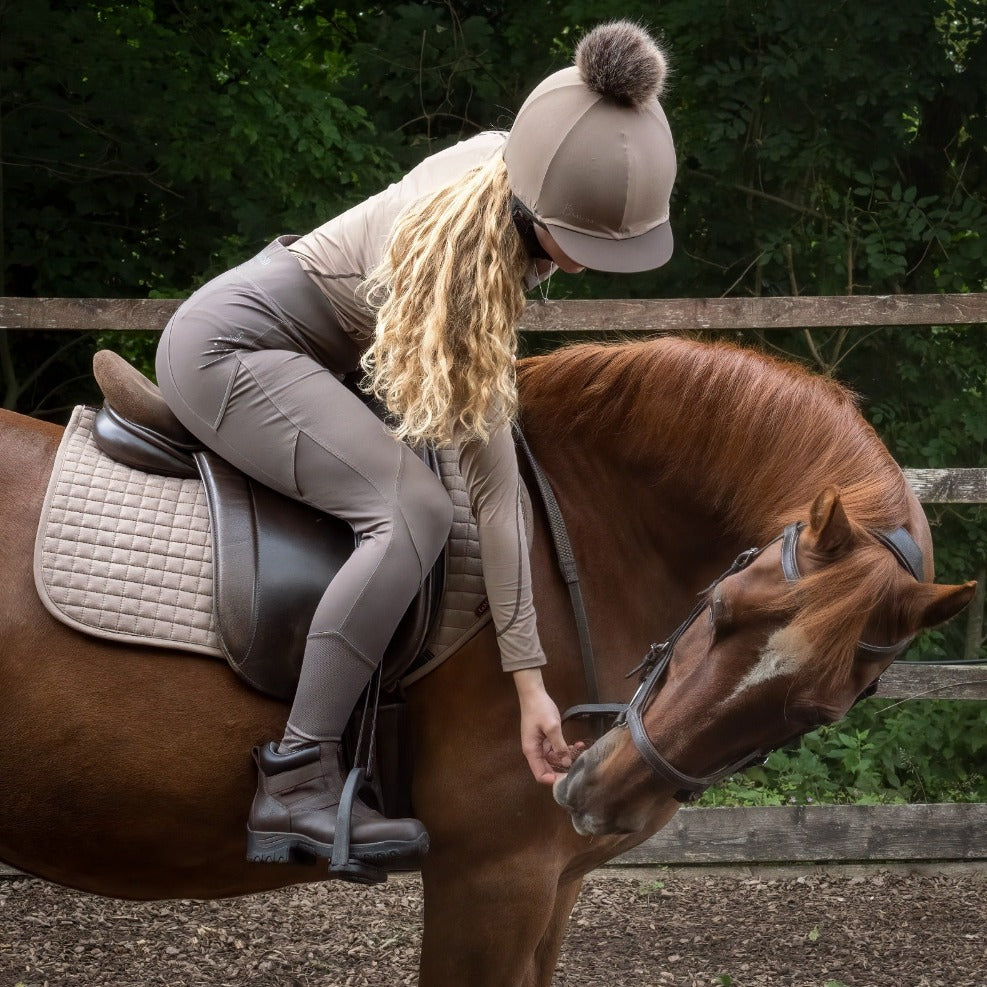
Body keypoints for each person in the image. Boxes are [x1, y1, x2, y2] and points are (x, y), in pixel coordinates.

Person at [154, 19, 677, 878]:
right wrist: (529, 684)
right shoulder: (455, 270)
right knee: (410, 514)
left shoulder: (513, 163)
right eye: (577, 244)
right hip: (233, 351)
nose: (583, 267)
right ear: (533, 204)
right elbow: (496, 494)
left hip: (309, 351)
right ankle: (293, 774)